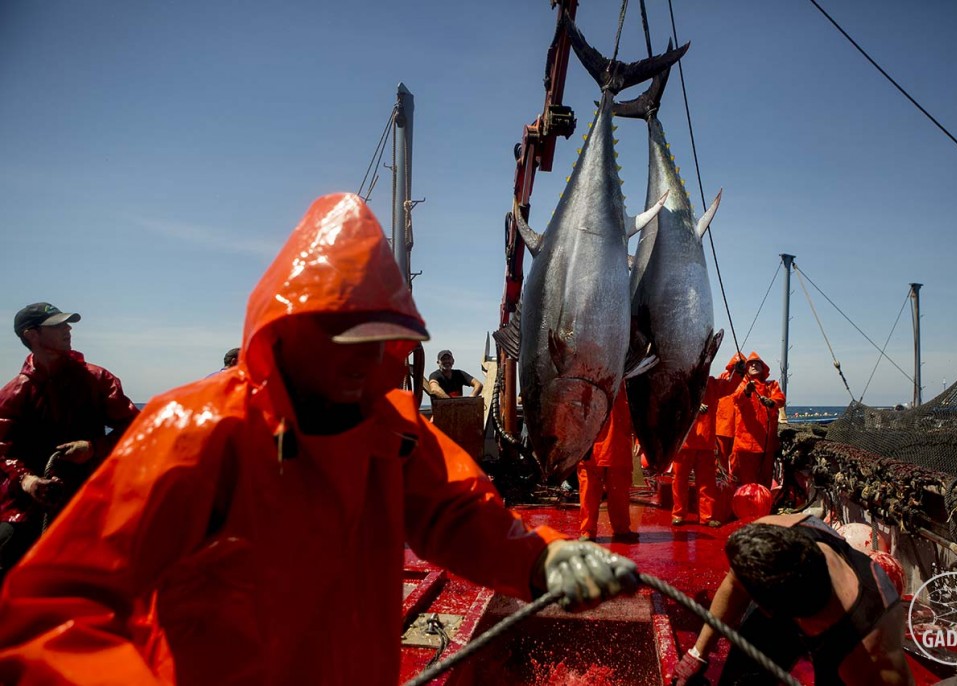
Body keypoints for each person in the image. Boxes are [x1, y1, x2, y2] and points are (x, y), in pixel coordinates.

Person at [0, 194, 638, 685]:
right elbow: (56, 608)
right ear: (289, 330)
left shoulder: (389, 426)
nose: (366, 362)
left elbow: (456, 509)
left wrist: (539, 558)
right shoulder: (195, 432)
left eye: (382, 342)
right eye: (347, 340)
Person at [672, 513, 913, 685]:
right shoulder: (777, 533)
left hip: (844, 645)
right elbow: (735, 584)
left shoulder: (869, 652)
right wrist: (698, 652)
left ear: (768, 610)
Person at [0, 303, 139, 581]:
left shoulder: (98, 379)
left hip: (90, 500)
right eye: (58, 324)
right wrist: (27, 480)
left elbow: (135, 428)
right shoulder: (15, 392)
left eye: (67, 323)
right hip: (27, 508)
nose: (68, 329)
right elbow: (3, 450)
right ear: (32, 335)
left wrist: (93, 448)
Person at [671, 375, 736, 527]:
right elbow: (672, 402)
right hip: (684, 441)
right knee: (679, 480)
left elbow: (729, 387)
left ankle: (707, 516)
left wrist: (738, 373)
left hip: (705, 442)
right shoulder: (680, 382)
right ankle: (678, 514)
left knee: (707, 482)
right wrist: (693, 405)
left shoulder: (711, 383)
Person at [577, 381, 638, 544]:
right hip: (596, 447)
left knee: (612, 492)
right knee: (591, 491)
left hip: (609, 445)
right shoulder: (626, 381)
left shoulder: (586, 379)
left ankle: (593, 532)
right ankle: (594, 530)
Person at [728, 352, 785, 489]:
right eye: (750, 363)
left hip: (767, 445)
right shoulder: (741, 384)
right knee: (746, 482)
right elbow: (736, 399)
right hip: (745, 444)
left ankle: (763, 507)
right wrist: (747, 391)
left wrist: (771, 402)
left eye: (757, 363)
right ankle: (743, 507)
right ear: (746, 368)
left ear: (763, 367)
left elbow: (780, 399)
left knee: (764, 482)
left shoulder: (771, 385)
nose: (753, 365)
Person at [714, 352, 746, 476]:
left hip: (739, 427)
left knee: (736, 460)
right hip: (722, 426)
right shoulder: (723, 377)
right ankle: (722, 483)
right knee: (720, 459)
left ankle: (733, 484)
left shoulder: (747, 380)